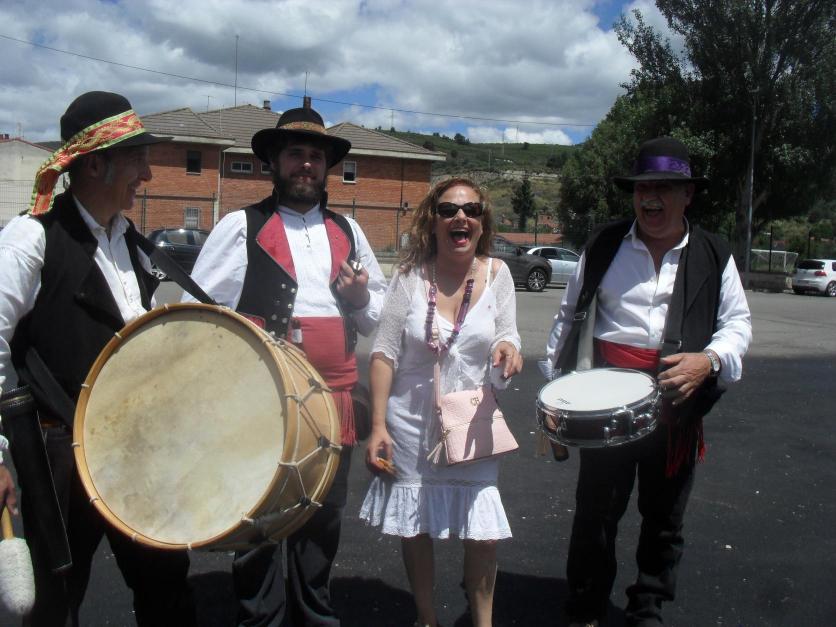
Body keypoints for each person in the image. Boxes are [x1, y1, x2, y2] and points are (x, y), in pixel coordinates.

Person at [186, 100, 386, 626]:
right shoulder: (241, 226)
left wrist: (360, 298)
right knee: (258, 520)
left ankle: (315, 615)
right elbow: (200, 313)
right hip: (263, 402)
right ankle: (261, 620)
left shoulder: (350, 231)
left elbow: (376, 319)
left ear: (327, 167)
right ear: (274, 162)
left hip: (335, 403)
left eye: (315, 157)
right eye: (295, 154)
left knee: (323, 521)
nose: (306, 165)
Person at [0, 91, 195, 625]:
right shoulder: (32, 238)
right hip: (62, 457)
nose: (147, 174)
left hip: (141, 450)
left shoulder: (131, 243)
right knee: (56, 603)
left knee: (168, 592)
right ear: (95, 164)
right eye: (137, 159)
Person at [544, 137, 752, 627]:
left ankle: (647, 609)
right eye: (643, 188)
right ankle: (585, 608)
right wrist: (553, 393)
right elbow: (568, 317)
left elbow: (737, 325)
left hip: (678, 404)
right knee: (595, 514)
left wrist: (709, 360)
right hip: (606, 405)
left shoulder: (714, 253)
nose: (650, 197)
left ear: (688, 195)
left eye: (664, 187)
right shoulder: (604, 245)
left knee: (664, 520)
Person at [360, 177, 524, 627]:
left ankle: (483, 621)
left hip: (472, 423)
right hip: (411, 424)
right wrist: (378, 426)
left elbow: (509, 333)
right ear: (432, 221)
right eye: (449, 210)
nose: (460, 217)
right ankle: (427, 617)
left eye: (471, 210)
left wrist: (509, 348)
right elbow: (383, 353)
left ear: (482, 222)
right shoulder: (410, 277)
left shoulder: (498, 274)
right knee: (416, 526)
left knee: (483, 535)